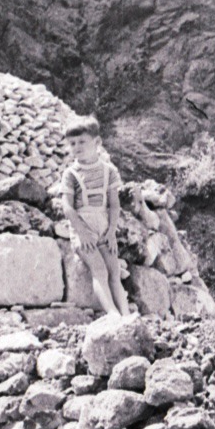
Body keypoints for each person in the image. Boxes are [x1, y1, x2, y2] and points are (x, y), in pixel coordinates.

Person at [60, 114, 132, 317]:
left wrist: (111, 232)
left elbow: (114, 204)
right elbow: (67, 207)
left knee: (114, 271)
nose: (77, 147)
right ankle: (112, 313)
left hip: (104, 227)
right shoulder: (71, 174)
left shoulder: (109, 171)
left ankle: (125, 314)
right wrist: (82, 233)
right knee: (99, 270)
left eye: (82, 141)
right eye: (72, 143)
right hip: (83, 228)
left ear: (97, 142)